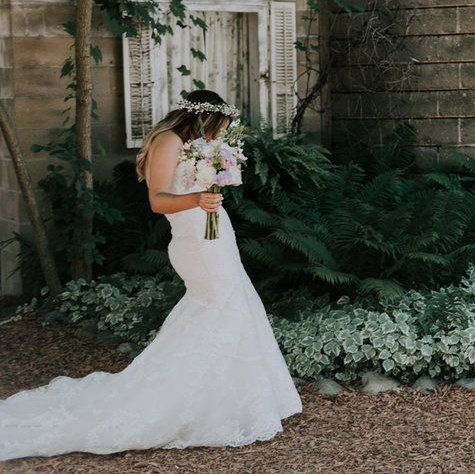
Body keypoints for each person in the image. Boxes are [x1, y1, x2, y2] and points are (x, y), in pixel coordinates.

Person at [0, 90, 301, 460]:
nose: (218, 135)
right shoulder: (167, 141)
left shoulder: (192, 143)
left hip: (214, 236)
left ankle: (228, 399)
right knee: (218, 307)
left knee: (231, 306)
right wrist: (198, 199)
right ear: (203, 118)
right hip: (194, 241)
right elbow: (158, 200)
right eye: (219, 127)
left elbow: (196, 184)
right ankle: (182, 401)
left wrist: (214, 182)